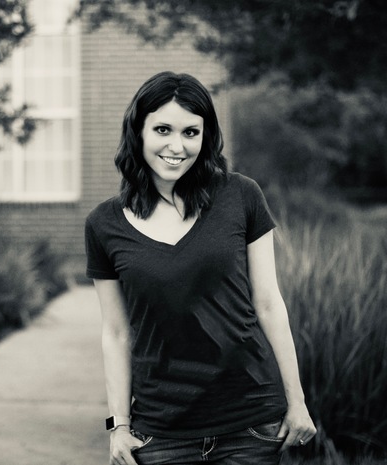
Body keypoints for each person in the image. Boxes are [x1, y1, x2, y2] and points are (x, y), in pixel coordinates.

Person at [84, 71, 317, 465]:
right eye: (163, 129)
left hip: (251, 424)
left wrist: (297, 401)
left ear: (205, 137)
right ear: (138, 131)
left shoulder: (241, 195)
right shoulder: (104, 224)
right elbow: (116, 332)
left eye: (190, 132)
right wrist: (118, 425)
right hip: (161, 432)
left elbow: (268, 303)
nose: (177, 146)